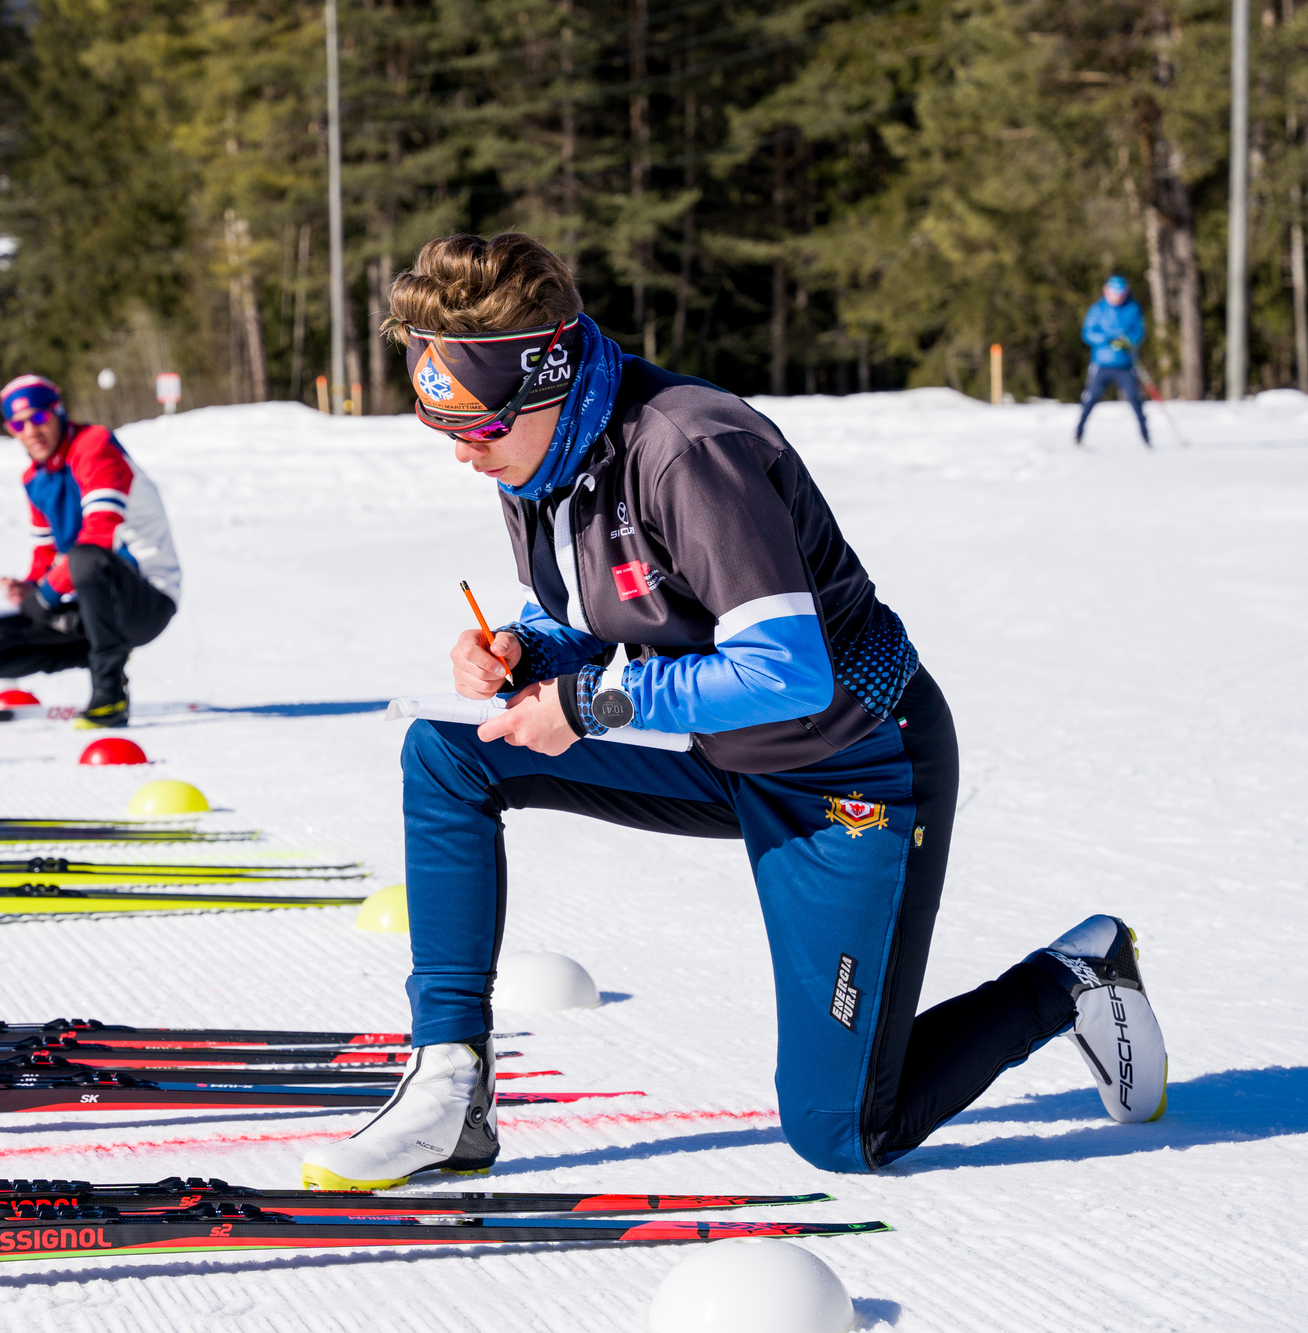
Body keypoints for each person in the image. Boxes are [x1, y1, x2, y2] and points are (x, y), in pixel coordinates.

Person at [300, 233, 1168, 1189]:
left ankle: (1075, 976)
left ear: (545, 382)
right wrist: (526, 653)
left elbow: (786, 674)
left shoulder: (688, 450)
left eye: (480, 430)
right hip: (724, 749)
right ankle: (449, 1088)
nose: (465, 455)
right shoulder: (537, 461)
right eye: (445, 431)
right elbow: (593, 617)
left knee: (845, 1133)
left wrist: (586, 704)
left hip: (853, 766)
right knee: (450, 751)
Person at [0, 375, 181, 728]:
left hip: (145, 602)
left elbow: (100, 534)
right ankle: (102, 653)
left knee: (85, 558)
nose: (31, 431)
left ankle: (109, 695)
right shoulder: (35, 478)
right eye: (19, 424)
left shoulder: (95, 446)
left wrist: (45, 595)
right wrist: (29, 588)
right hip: (89, 608)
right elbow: (46, 554)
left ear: (57, 411)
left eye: (39, 417)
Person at [1077, 276, 1152, 447]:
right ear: (1106, 291)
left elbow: (1139, 332)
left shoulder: (1133, 308)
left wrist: (1128, 341)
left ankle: (1146, 436)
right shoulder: (1097, 309)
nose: (1118, 296)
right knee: (1091, 399)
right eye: (1114, 292)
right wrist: (1106, 339)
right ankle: (1078, 433)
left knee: (1135, 400)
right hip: (1101, 364)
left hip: (1126, 364)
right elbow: (1087, 333)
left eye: (1121, 292)